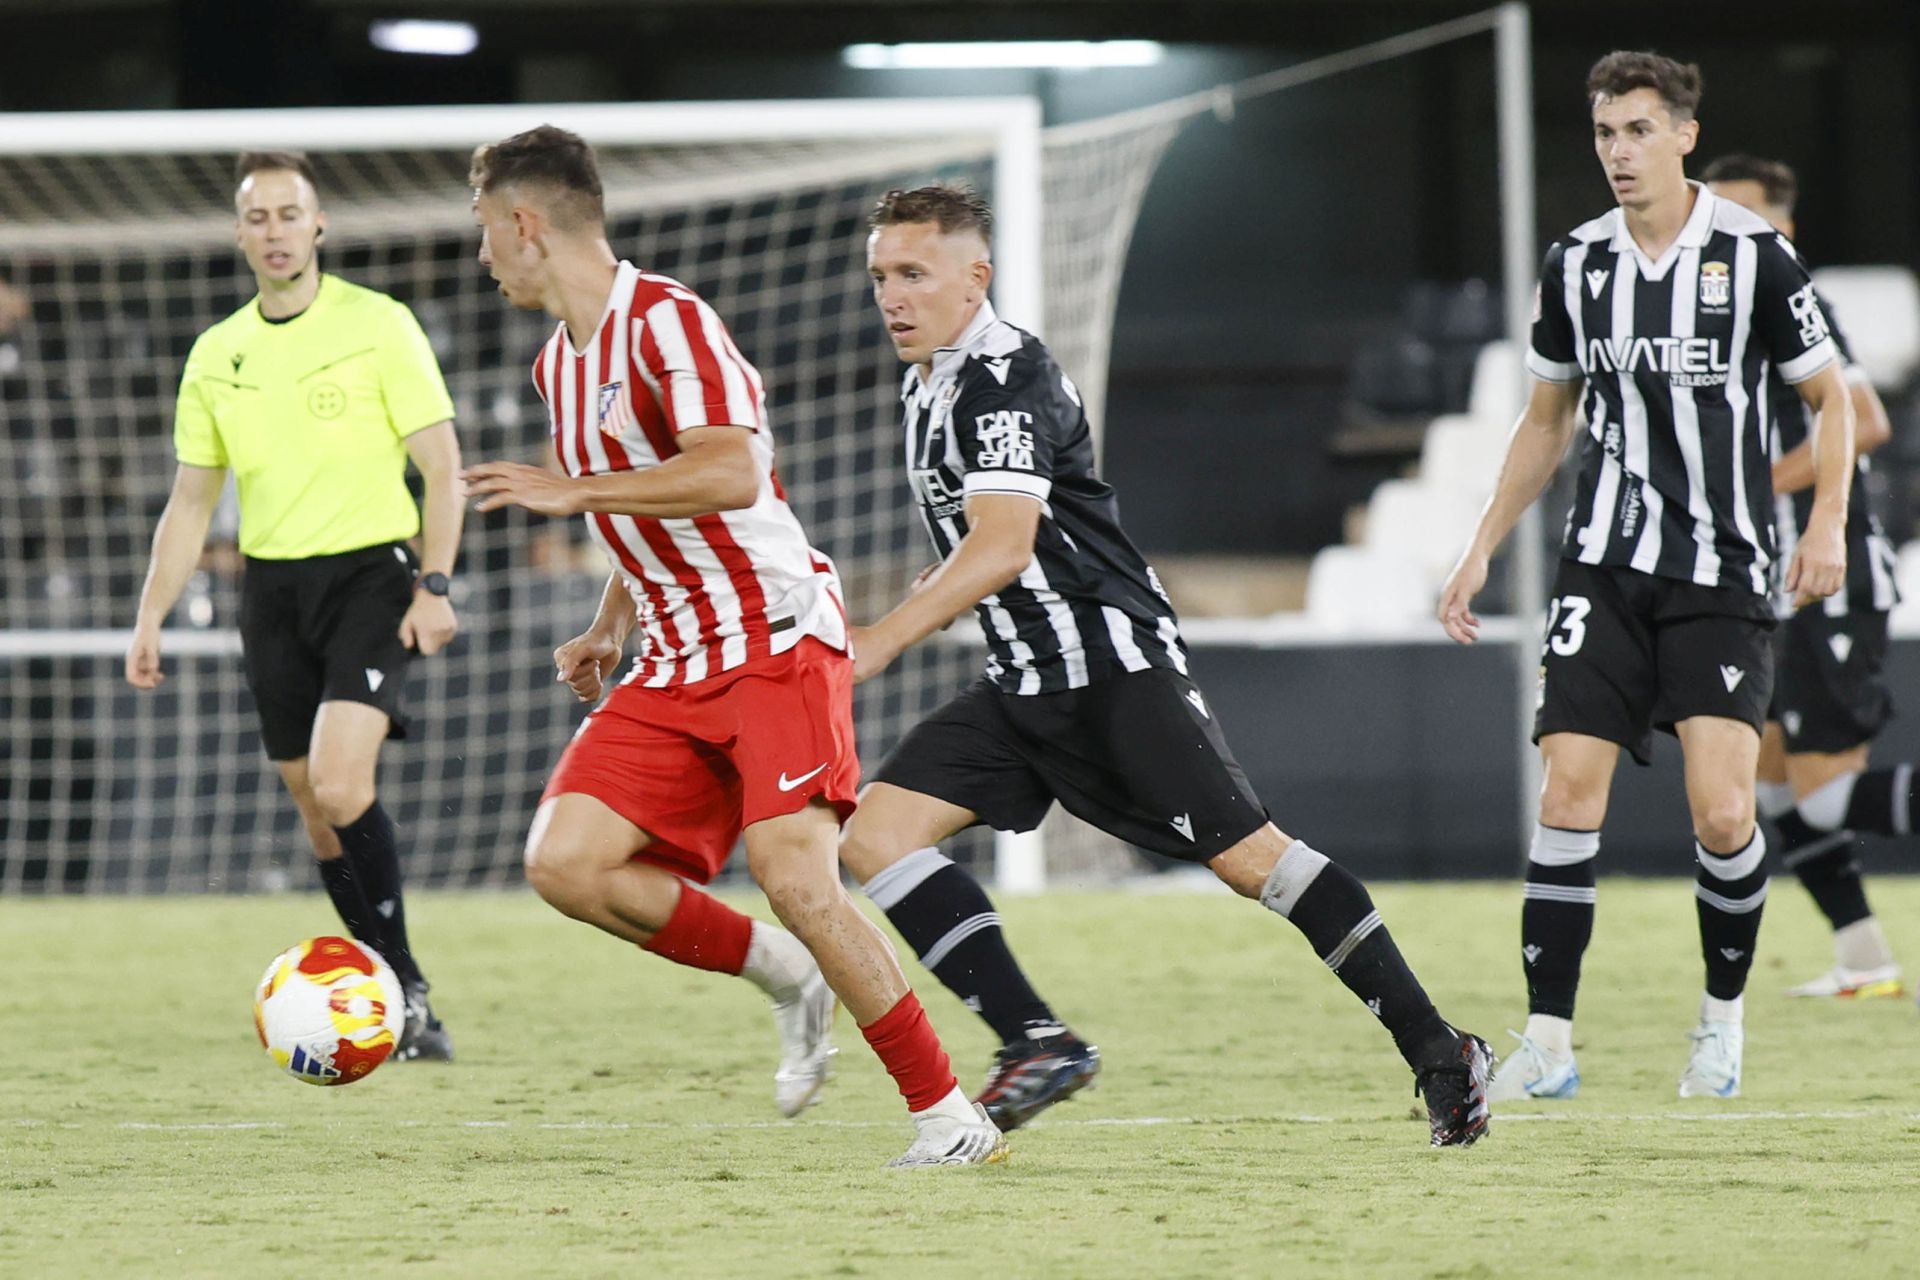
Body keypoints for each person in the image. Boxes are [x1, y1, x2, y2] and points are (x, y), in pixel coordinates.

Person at [839, 184, 1492, 1147]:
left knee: (1255, 863)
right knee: (873, 836)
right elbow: (990, 541)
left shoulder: (1004, 376)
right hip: (1025, 682)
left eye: (913, 275)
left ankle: (1442, 1049)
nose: (892, 297)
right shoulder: (927, 383)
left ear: (975, 277)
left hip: (1111, 670)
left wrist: (876, 640)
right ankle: (1038, 1041)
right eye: (881, 278)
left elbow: (1004, 547)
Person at [460, 125, 1005, 1169]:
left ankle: (948, 1114)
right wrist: (610, 622)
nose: (483, 253)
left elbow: (731, 473)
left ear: (525, 224)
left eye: (485, 229)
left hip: (770, 631)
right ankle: (787, 973)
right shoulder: (555, 366)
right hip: (672, 649)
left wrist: (572, 491)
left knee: (799, 874)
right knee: (565, 862)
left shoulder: (668, 322)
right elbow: (652, 503)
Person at [1438, 52, 1855, 1100]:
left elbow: (1832, 400)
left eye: (1635, 130)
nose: (1618, 152)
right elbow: (1546, 421)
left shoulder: (1754, 254)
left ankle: (1720, 1022)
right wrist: (1484, 539)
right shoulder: (1576, 263)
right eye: (1604, 134)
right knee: (1568, 790)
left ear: (1682, 135)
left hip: (1721, 571)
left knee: (1721, 813)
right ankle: (1548, 1041)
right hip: (1604, 565)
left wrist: (1829, 525)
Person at [127, 151, 461, 1060]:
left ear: (319, 226)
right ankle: (395, 988)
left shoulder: (379, 325)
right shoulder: (218, 354)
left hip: (371, 576)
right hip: (270, 589)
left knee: (345, 781)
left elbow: (441, 467)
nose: (275, 231)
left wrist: (435, 583)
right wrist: (151, 614)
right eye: (258, 217)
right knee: (316, 806)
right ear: (240, 234)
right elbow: (191, 501)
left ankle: (402, 987)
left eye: (289, 213)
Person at [1704, 154, 1907, 1000]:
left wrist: (1744, 490)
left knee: (1825, 795)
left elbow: (1864, 420)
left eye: (1740, 217)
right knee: (1774, 788)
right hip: (1767, 583)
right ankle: (1865, 959)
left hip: (1828, 575)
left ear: (1781, 228)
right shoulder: (1713, 310)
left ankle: (1864, 958)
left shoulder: (1798, 300)